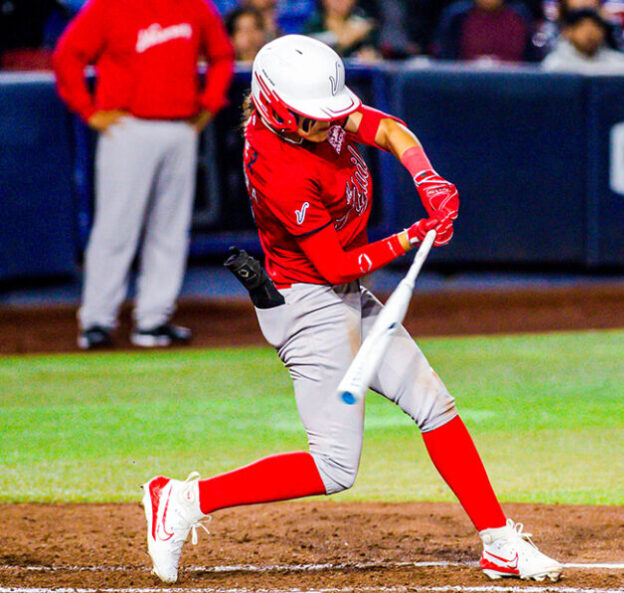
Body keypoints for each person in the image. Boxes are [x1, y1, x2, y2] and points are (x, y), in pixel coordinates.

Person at [140, 34, 563, 585]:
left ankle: (499, 542)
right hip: (310, 306)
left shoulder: (313, 112)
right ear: (280, 112)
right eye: (318, 120)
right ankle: (181, 500)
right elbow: (335, 265)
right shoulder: (278, 166)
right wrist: (414, 235)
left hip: (341, 294)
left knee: (434, 404)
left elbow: (387, 128)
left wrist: (426, 176)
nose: (331, 125)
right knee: (334, 467)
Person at [53, 0, 234, 349]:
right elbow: (67, 57)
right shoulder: (108, 7)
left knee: (169, 230)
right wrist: (87, 110)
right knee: (115, 228)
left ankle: (153, 320)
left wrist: (210, 103)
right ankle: (97, 321)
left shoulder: (194, 7)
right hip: (127, 127)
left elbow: (222, 56)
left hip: (180, 126)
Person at [434, 0, 534, 62]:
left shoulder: (519, 17)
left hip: (514, 84)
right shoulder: (457, 18)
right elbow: (445, 57)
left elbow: (531, 60)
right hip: (465, 83)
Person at [540, 7, 624, 71]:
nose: (590, 33)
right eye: (582, 26)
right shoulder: (554, 64)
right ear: (568, 32)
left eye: (595, 27)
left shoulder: (618, 63)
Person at [304, 0, 382, 61]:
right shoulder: (313, 25)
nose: (339, 1)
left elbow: (375, 55)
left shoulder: (363, 25)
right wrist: (344, 39)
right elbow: (309, 52)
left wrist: (371, 57)